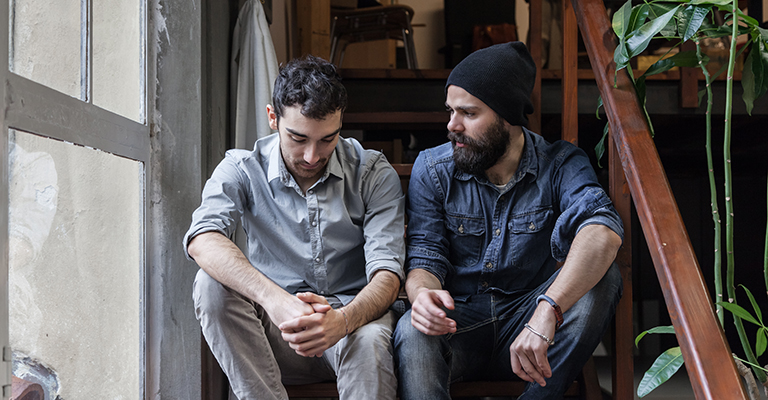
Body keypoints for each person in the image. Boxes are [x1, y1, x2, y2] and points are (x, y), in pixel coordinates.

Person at [393, 41, 624, 399]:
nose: (452, 125)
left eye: (468, 113)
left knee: (603, 278)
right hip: (459, 322)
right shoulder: (433, 169)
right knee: (412, 329)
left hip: (532, 326)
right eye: (450, 110)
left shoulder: (560, 164)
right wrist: (421, 294)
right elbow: (425, 254)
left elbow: (602, 231)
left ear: (507, 116)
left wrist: (549, 309)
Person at [184, 55, 405, 400]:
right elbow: (202, 239)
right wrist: (277, 301)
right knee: (210, 284)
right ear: (273, 117)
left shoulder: (373, 173)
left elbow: (388, 276)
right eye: (298, 139)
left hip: (352, 324)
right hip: (273, 332)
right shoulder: (241, 168)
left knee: (371, 343)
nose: (312, 156)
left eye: (328, 139)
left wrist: (343, 320)